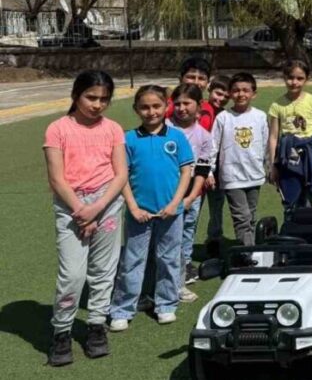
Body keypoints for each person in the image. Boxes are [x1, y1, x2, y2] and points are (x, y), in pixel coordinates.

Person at [44, 71, 129, 367]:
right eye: (91, 97)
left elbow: (121, 174)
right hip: (71, 206)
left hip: (107, 202)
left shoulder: (113, 129)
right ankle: (62, 331)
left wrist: (99, 207)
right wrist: (82, 209)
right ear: (76, 95)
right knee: (73, 275)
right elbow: (56, 178)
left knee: (104, 270)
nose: (97, 104)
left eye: (104, 99)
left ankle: (95, 326)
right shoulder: (57, 129)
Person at [108, 85, 194, 331]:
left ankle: (166, 304)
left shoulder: (176, 136)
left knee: (168, 259)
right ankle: (123, 309)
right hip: (139, 214)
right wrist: (133, 207)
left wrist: (175, 203)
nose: (151, 112)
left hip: (171, 212)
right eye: (144, 107)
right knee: (132, 261)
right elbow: (121, 176)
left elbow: (186, 171)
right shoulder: (129, 139)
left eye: (156, 106)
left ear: (166, 106)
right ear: (136, 109)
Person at [210, 73, 270, 248]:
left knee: (250, 216)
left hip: (254, 174)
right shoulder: (223, 117)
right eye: (236, 90)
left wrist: (270, 167)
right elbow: (213, 146)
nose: (241, 94)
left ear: (254, 93)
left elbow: (266, 144)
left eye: (245, 90)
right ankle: (247, 255)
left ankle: (247, 248)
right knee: (241, 218)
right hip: (231, 177)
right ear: (230, 93)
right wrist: (209, 171)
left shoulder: (260, 116)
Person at [168, 84, 215, 303]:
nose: (181, 108)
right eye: (177, 103)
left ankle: (181, 278)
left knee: (186, 233)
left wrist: (192, 196)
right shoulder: (163, 128)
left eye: (187, 103)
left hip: (190, 194)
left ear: (199, 107)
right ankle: (161, 285)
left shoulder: (204, 135)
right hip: (166, 191)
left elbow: (203, 169)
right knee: (167, 239)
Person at [267, 60, 312, 219]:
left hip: (310, 155)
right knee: (290, 202)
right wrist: (273, 165)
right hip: (287, 157)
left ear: (306, 79)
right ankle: (291, 240)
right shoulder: (276, 105)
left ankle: (309, 241)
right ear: (284, 77)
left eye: (300, 78)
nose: (294, 82)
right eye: (290, 77)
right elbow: (273, 136)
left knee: (308, 202)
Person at [203, 74, 231, 256]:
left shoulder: (224, 115)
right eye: (218, 94)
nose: (220, 99)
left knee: (216, 206)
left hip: (216, 169)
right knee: (192, 208)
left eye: (225, 97)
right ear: (209, 90)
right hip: (197, 168)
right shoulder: (200, 109)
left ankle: (214, 238)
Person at [165, 56, 217, 130]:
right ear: (180, 79)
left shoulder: (208, 109)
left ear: (207, 83)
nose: (196, 82)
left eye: (201, 78)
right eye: (191, 77)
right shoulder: (167, 106)